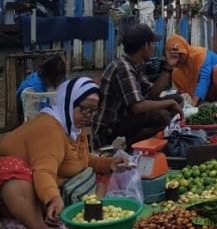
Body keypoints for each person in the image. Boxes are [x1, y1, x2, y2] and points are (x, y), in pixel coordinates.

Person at [0, 77, 127, 229]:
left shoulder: (72, 128)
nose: (89, 116)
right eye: (85, 109)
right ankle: (38, 225)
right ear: (68, 103)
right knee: (10, 168)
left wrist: (108, 163)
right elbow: (43, 171)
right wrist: (53, 198)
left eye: (93, 111)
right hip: (15, 186)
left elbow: (81, 158)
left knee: (101, 176)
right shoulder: (49, 130)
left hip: (42, 183)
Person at [93, 24, 183, 148]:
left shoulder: (135, 64)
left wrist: (168, 67)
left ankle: (142, 141)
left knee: (177, 99)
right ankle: (127, 146)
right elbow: (138, 107)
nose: (154, 47)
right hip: (109, 131)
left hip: (126, 118)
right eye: (152, 43)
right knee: (162, 115)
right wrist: (170, 103)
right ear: (145, 46)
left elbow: (152, 95)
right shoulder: (123, 67)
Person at [165, 35, 217, 109]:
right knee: (176, 74)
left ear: (185, 50)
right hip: (207, 95)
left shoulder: (200, 54)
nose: (178, 59)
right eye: (173, 56)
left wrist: (192, 105)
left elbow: (204, 79)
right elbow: (183, 92)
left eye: (180, 55)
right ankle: (204, 104)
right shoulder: (176, 71)